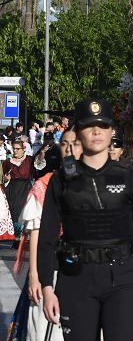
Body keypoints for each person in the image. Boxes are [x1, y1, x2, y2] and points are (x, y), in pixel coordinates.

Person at [38, 98, 133, 340]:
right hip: (76, 280)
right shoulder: (61, 179)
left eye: (104, 126)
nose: (96, 132)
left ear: (111, 131)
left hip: (124, 278)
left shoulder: (129, 176)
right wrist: (47, 287)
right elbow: (47, 237)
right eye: (88, 126)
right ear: (78, 132)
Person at [9, 127, 82, 341]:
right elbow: (36, 232)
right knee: (42, 330)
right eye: (65, 144)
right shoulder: (45, 183)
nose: (70, 149)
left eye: (75, 144)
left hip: (86, 269)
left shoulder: (97, 181)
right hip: (51, 266)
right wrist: (34, 275)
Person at [3, 136, 34, 240]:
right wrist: (6, 179)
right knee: (15, 211)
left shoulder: (29, 160)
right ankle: (17, 237)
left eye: (17, 149)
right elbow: (4, 176)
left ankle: (26, 234)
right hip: (13, 188)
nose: (15, 151)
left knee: (25, 210)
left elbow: (38, 167)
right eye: (14, 148)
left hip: (26, 187)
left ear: (23, 149)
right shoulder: (8, 162)